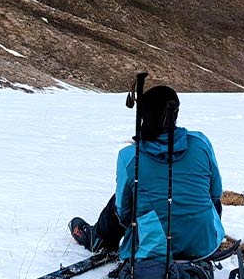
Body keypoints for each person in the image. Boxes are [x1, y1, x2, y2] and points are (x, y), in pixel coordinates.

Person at [70, 85, 225, 262]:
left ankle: (98, 238)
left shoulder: (129, 156)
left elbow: (123, 213)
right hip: (205, 245)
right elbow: (215, 192)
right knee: (206, 197)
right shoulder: (200, 143)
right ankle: (195, 237)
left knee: (122, 198)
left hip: (153, 251)